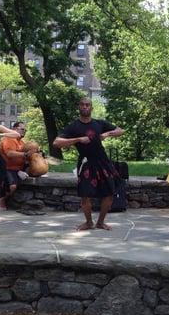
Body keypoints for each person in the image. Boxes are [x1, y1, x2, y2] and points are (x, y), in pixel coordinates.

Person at [53, 97, 124, 231]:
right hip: (86, 163)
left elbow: (121, 131)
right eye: (82, 105)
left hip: (103, 162)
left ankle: (100, 222)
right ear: (79, 107)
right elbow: (56, 143)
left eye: (87, 105)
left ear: (91, 108)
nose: (85, 107)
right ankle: (89, 222)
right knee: (85, 194)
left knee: (109, 193)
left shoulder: (99, 123)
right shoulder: (74, 126)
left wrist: (108, 134)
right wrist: (78, 139)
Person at [0, 122, 36, 210]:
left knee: (38, 169)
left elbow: (25, 155)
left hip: (19, 169)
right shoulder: (9, 139)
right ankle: (2, 199)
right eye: (22, 129)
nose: (24, 131)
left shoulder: (22, 142)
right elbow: (10, 153)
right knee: (12, 186)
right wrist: (25, 154)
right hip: (7, 168)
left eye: (25, 130)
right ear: (14, 129)